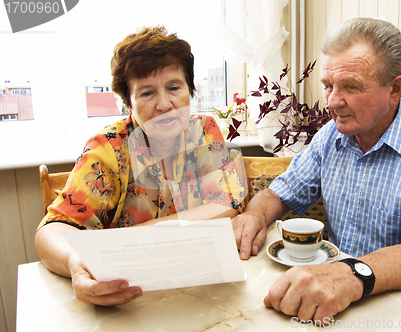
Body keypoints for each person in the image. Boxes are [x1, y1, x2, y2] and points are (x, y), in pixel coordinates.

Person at [232, 17, 401, 324]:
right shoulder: (330, 137)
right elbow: (277, 193)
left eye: (350, 87)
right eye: (328, 86)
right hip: (342, 296)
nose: (333, 102)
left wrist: (350, 273)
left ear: (395, 89)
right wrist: (254, 215)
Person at [35, 26, 245, 306]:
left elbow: (229, 201)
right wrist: (76, 261)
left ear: (189, 91)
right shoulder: (108, 148)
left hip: (195, 289)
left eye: (174, 87)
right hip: (129, 300)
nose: (165, 104)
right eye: (147, 93)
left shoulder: (204, 130)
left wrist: (144, 235)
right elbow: (52, 229)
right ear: (128, 104)